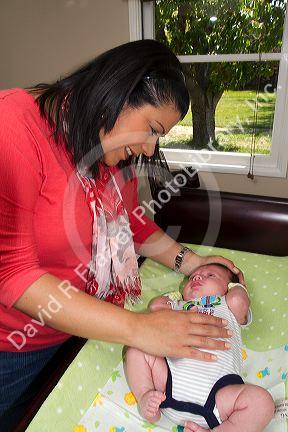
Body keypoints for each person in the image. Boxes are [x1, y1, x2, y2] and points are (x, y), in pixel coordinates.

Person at [0, 39, 243, 427]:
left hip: (82, 330)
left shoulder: (108, 147)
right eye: (151, 129)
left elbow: (132, 224)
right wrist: (141, 329)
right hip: (14, 347)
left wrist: (192, 261)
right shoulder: (12, 127)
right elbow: (13, 275)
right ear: (119, 91)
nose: (149, 150)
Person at [125, 263, 275, 431]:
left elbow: (239, 299)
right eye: (192, 277)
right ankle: (145, 396)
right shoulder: (177, 307)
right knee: (136, 348)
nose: (197, 277)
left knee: (262, 402)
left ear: (229, 288)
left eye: (211, 275)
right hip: (167, 387)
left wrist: (239, 286)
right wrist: (175, 298)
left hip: (219, 397)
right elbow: (155, 307)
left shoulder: (227, 305)